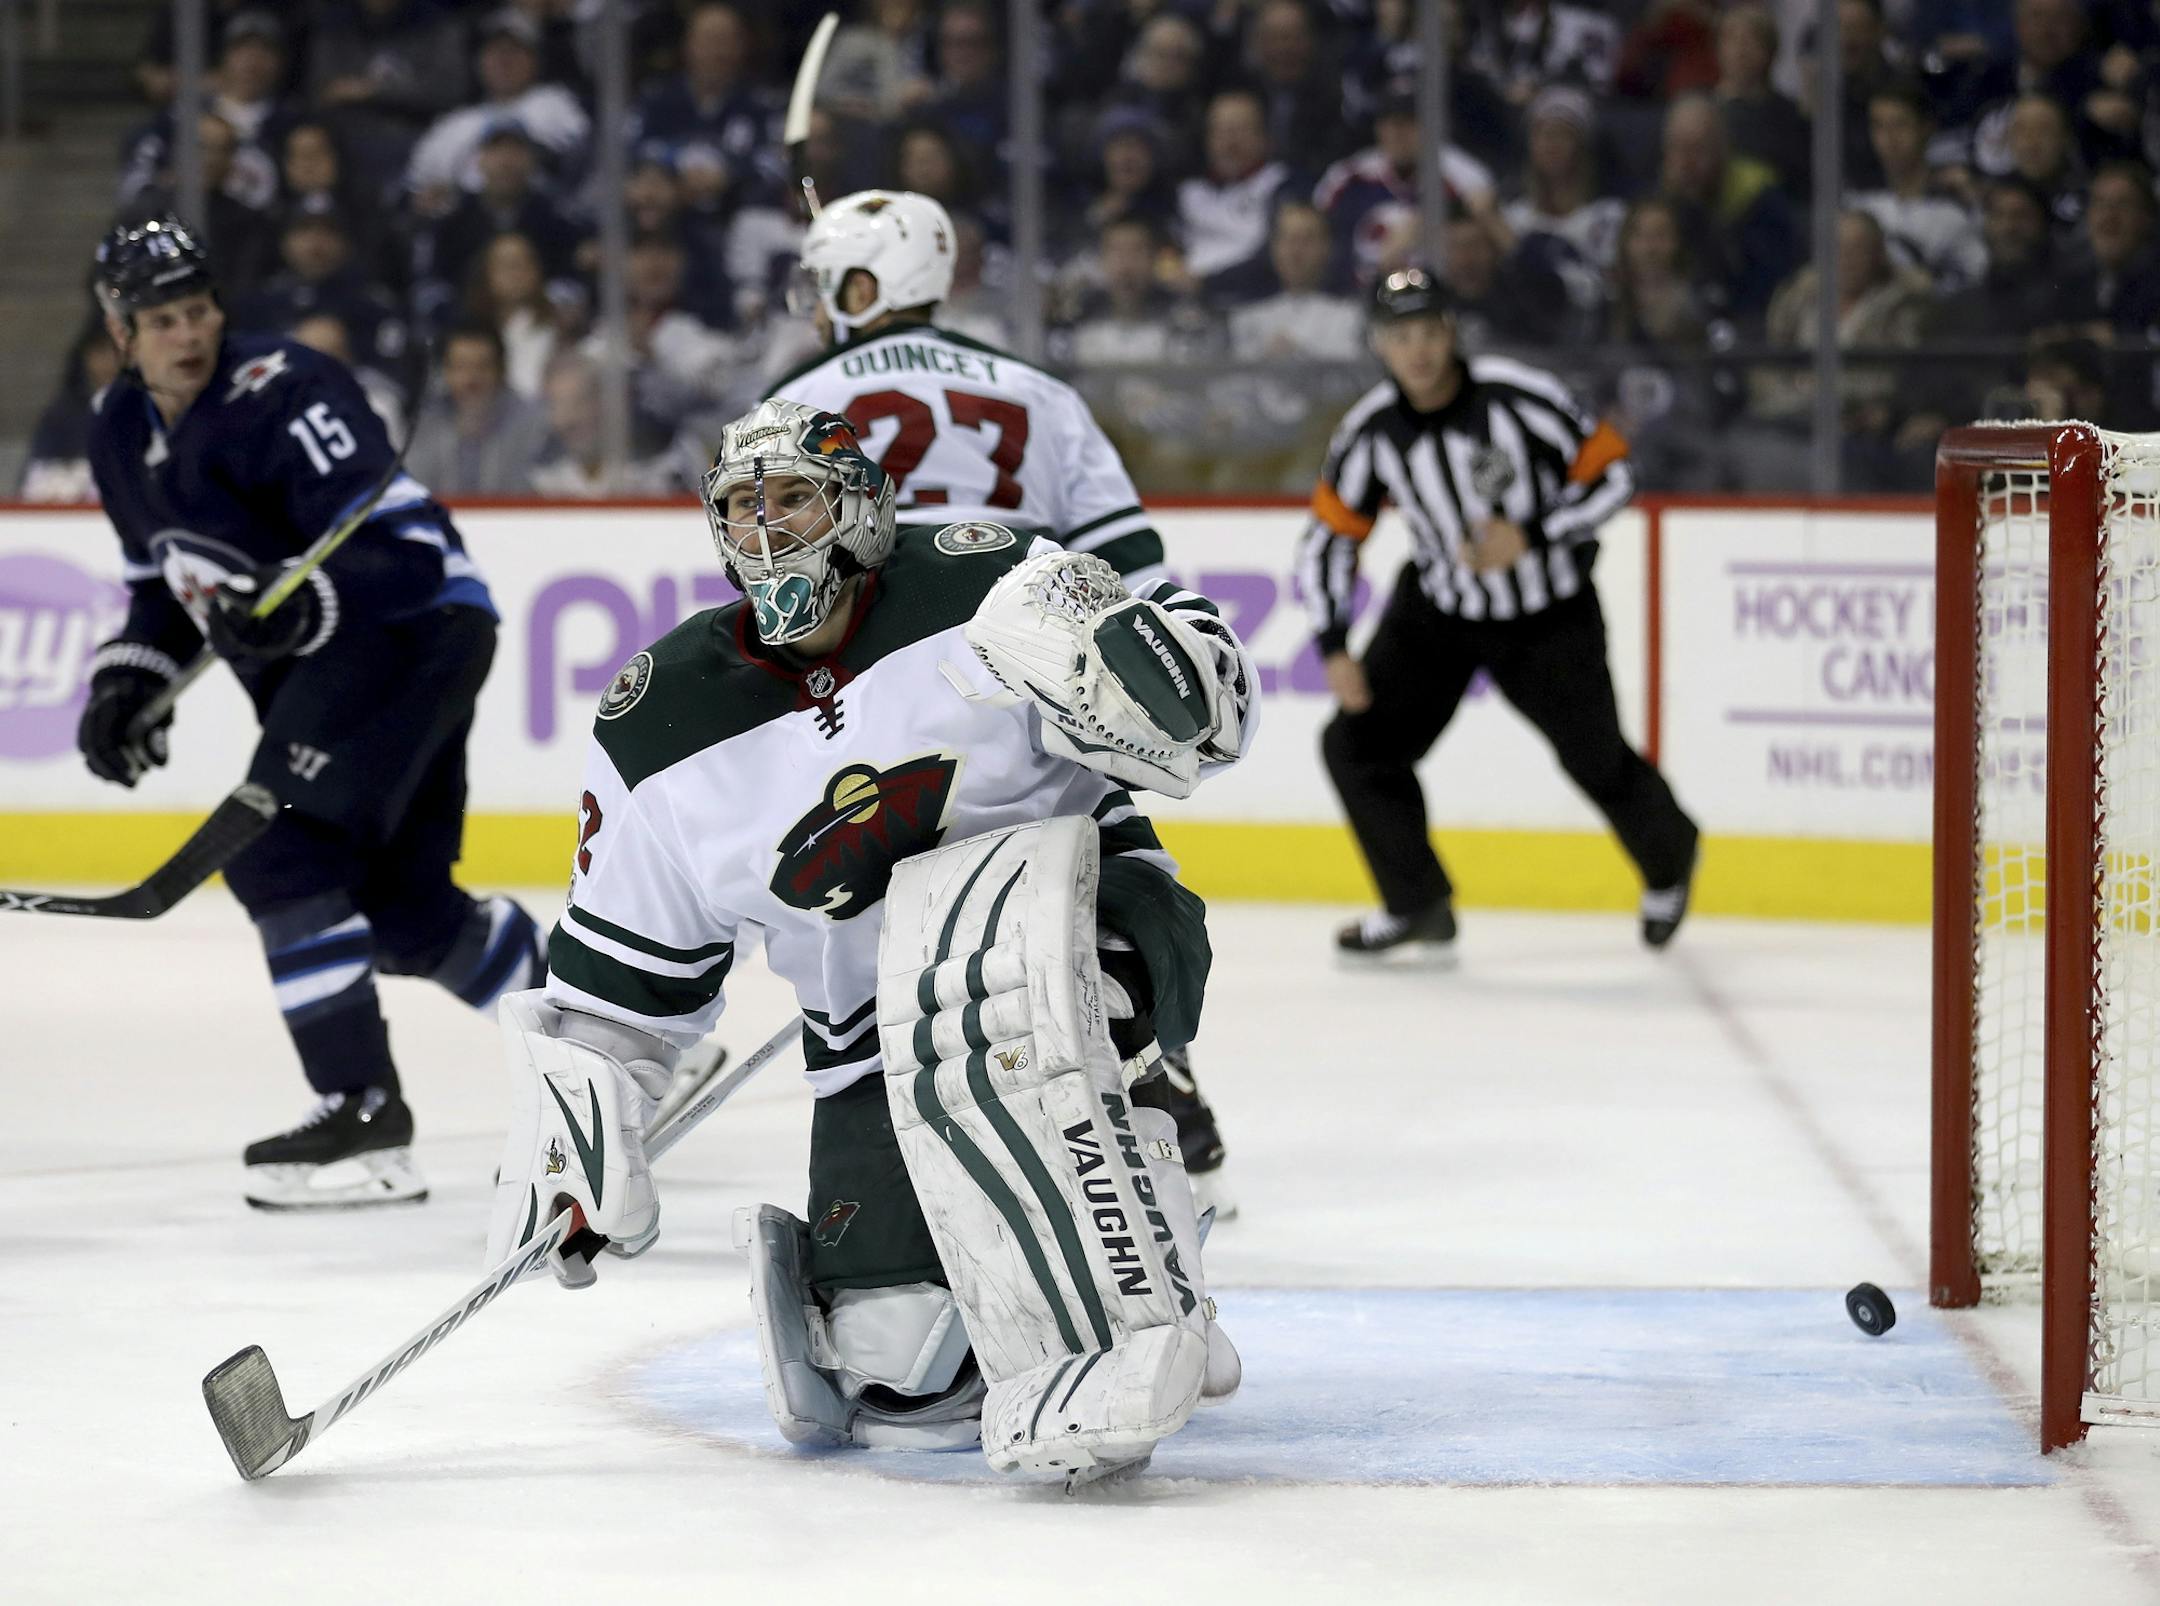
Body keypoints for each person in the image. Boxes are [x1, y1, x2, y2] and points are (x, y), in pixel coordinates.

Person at [485, 397, 1255, 1484]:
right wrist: (578, 1154)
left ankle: (1146, 1280)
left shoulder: (997, 581)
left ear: (860, 506)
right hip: (875, 1031)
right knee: (902, 1380)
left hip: (1082, 926)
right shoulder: (655, 727)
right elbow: (618, 997)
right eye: (741, 508)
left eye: (793, 497)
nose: (766, 530)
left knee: (1025, 1012)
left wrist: (1161, 679)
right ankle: (1004, 1296)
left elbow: (1196, 710)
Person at [761, 189, 1236, 1205]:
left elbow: (769, 582)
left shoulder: (793, 402)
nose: (813, 305)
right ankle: (1160, 1082)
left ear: (862, 284)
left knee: (885, 909)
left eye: (826, 282)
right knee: (1106, 852)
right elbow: (1138, 576)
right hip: (1033, 661)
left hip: (886, 684)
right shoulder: (1040, 391)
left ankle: (903, 1141)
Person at [78, 218, 543, 1209]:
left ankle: (361, 1108)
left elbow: (397, 550)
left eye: (197, 308)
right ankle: (616, 1047)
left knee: (280, 853)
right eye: (162, 318)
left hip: (411, 630)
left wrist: (305, 594)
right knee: (405, 917)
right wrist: (127, 679)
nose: (187, 331)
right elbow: (161, 592)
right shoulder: (115, 434)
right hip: (342, 664)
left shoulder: (285, 389)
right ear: (122, 331)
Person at [1299, 265, 1699, 960]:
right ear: (1379, 346)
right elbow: (1331, 537)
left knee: (1596, 759)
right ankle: (1416, 903)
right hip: (1438, 616)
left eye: (1429, 331)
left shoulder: (1519, 398)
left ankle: (1670, 859)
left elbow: (1615, 473)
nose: (1417, 350)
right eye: (1400, 336)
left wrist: (1535, 533)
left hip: (1548, 615)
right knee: (1355, 745)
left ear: (1452, 332)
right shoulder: (1370, 432)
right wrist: (1333, 643)